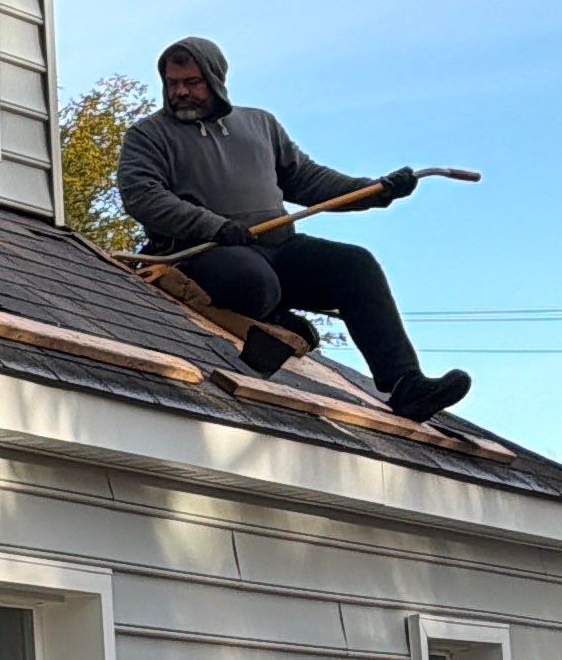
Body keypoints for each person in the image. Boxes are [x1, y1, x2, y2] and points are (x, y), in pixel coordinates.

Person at [114, 36, 474, 421]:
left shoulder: (260, 124)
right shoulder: (149, 134)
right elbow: (142, 196)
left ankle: (406, 384)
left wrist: (376, 190)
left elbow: (306, 179)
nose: (181, 92)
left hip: (279, 246)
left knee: (355, 265)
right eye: (173, 84)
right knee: (254, 282)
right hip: (203, 251)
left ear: (216, 80)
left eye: (192, 82)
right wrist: (214, 226)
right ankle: (278, 322)